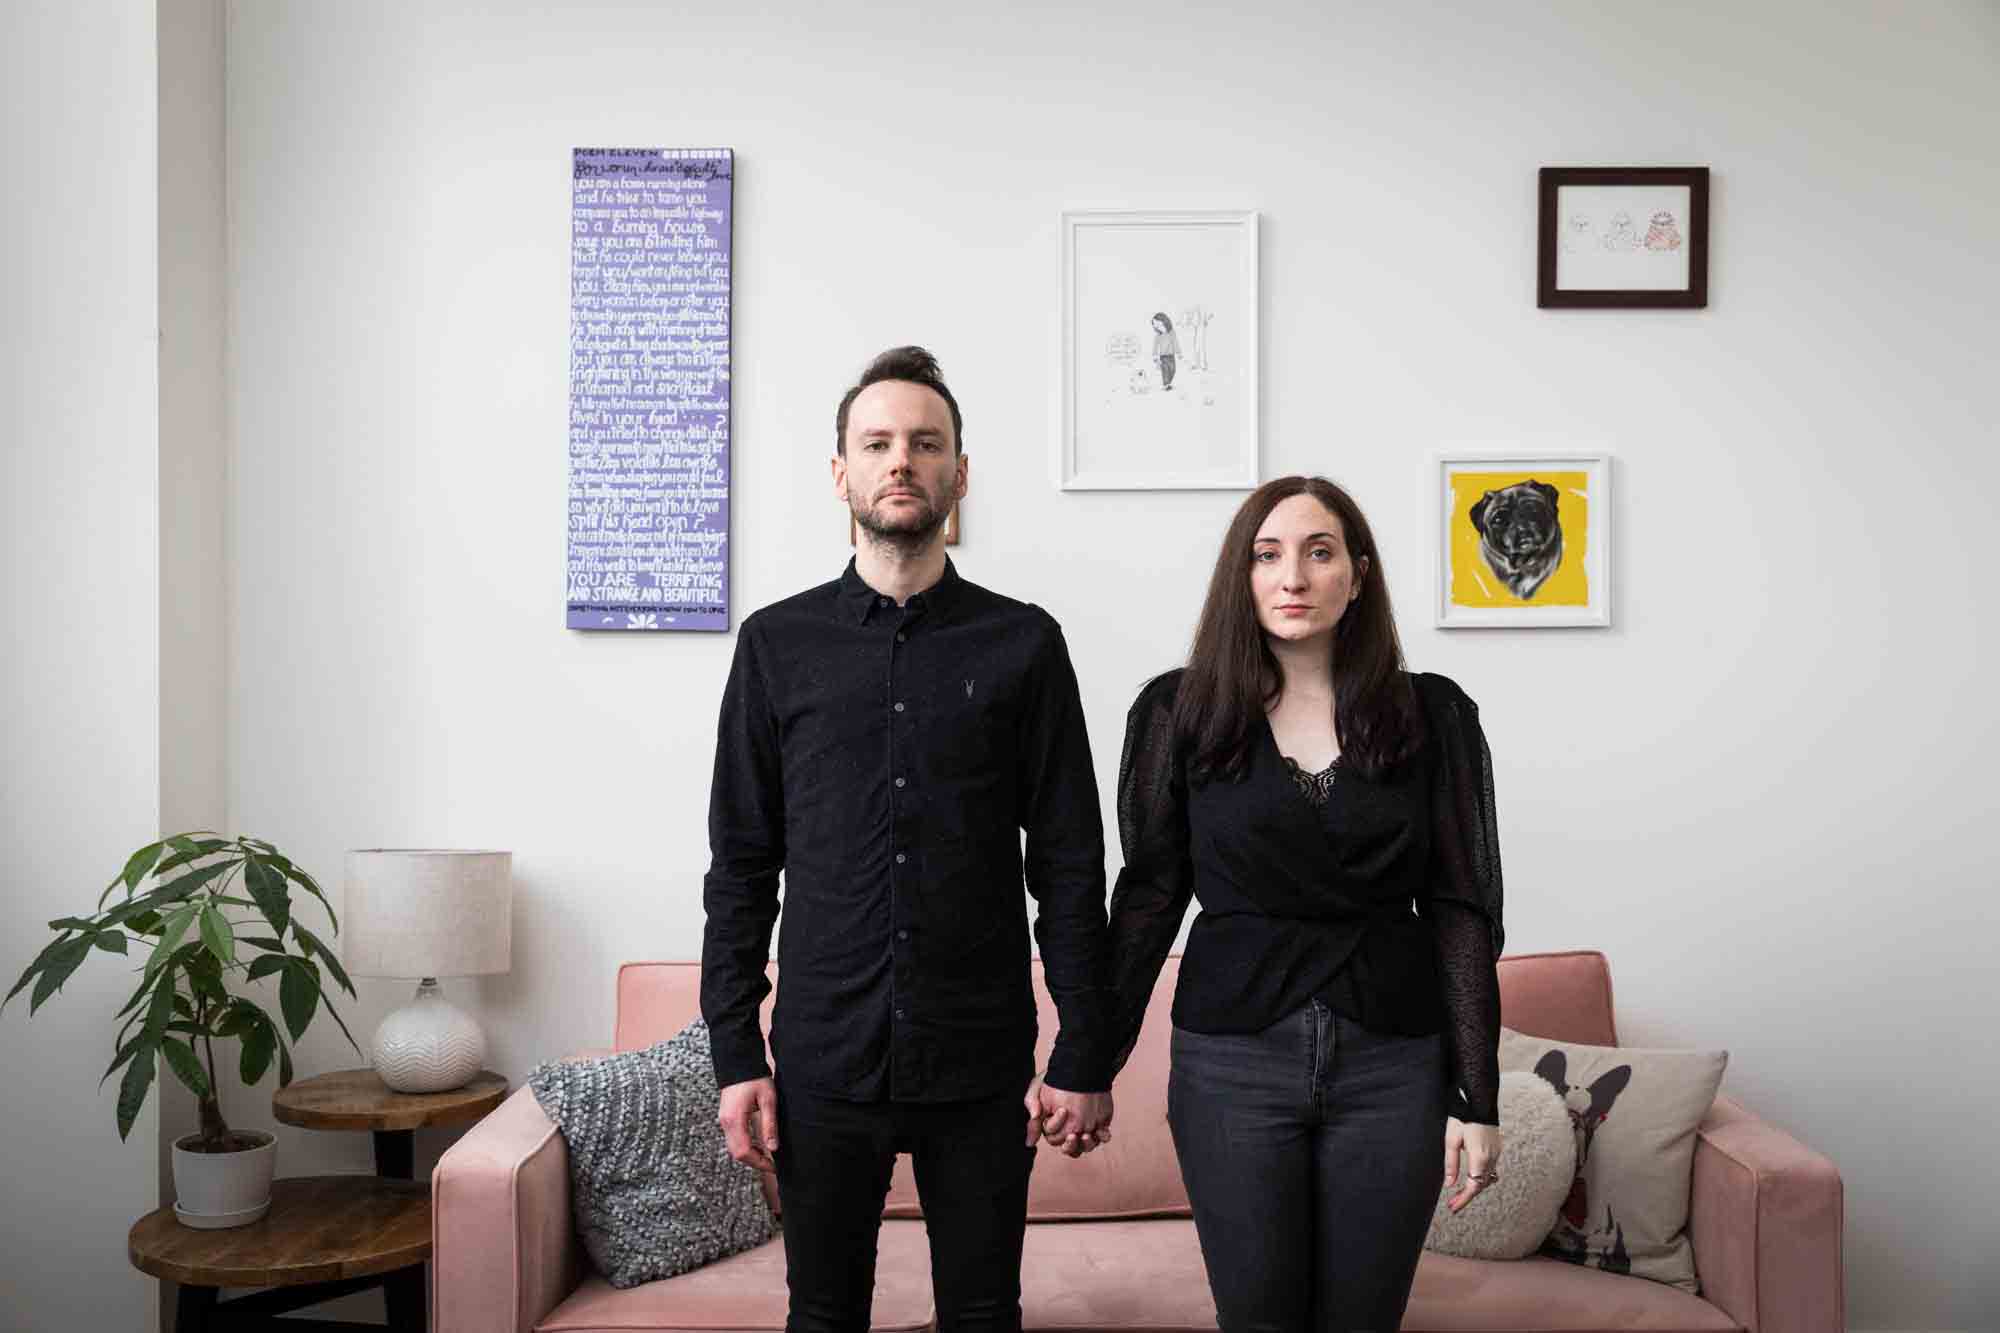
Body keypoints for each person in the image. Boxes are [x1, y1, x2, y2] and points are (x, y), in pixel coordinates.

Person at [701, 345, 1115, 1333]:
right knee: (823, 1314)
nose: (901, 460)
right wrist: (733, 1053)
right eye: (876, 442)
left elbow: (1066, 864)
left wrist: (1082, 1050)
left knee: (981, 1314)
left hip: (976, 1057)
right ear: (839, 472)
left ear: (957, 474)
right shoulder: (774, 644)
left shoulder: (1024, 643)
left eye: (925, 443)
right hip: (822, 1055)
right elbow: (742, 868)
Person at [1101, 475, 1505, 1332]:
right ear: (1240, 578)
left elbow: (1461, 910)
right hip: (1231, 1063)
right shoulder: (1181, 711)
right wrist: (1087, 1064)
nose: (1293, 576)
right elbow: (1148, 899)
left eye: (1320, 553)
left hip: (1393, 1065)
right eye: (1268, 554)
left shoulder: (1432, 714)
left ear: (1357, 574)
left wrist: (1477, 1097)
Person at [1150, 312, 1181, 390]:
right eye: (1155, 326)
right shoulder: (1158, 336)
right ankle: (1166, 384)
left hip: (1171, 356)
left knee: (1173, 370)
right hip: (1163, 357)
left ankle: (1168, 383)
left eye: (1159, 325)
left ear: (1165, 322)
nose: (1157, 327)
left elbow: (1175, 342)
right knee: (1165, 371)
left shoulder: (1172, 333)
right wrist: (1155, 356)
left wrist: (1179, 352)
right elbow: (1155, 347)